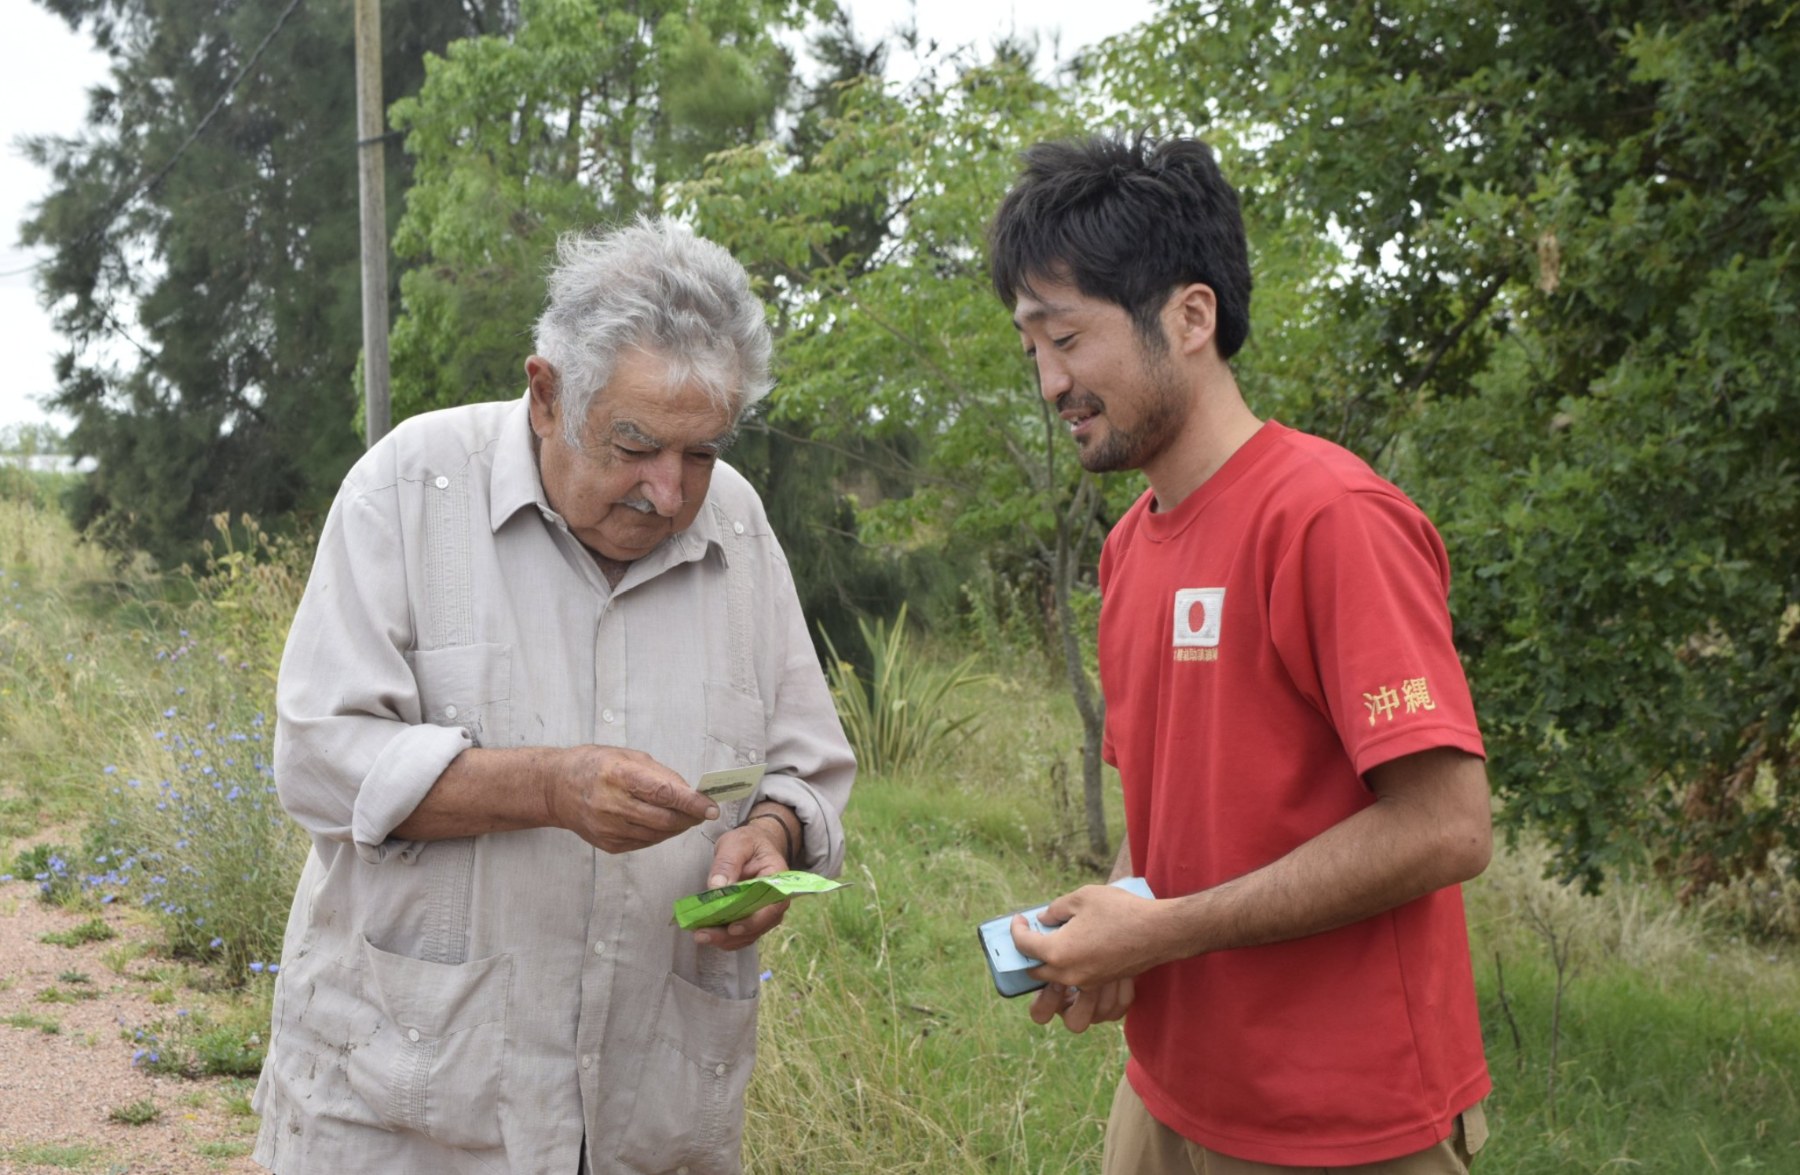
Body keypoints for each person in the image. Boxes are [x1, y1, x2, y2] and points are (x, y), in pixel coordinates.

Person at [251, 218, 855, 1174]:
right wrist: (551, 788)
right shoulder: (409, 487)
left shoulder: (737, 521)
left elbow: (803, 764)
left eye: (700, 452)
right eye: (636, 445)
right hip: (411, 1114)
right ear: (546, 395)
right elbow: (321, 760)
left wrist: (772, 835)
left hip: (650, 1116)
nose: (670, 491)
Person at [990, 136, 1493, 1173]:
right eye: (1029, 347)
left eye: (1069, 338)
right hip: (1167, 1093)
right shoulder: (1131, 546)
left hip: (1343, 1123)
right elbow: (1172, 821)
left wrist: (1162, 929)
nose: (1049, 381)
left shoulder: (1329, 516)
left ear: (1190, 316)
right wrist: (1116, 923)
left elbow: (1447, 828)